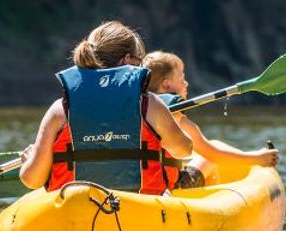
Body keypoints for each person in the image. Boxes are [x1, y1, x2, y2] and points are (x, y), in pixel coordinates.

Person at [20, 21, 193, 195]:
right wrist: (167, 128)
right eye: (139, 61)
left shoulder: (61, 109)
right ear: (127, 59)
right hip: (139, 208)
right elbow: (184, 151)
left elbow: (32, 179)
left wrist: (30, 159)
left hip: (77, 208)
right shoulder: (149, 104)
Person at [142, 50, 279, 188]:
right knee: (212, 152)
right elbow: (215, 155)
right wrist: (258, 158)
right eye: (182, 79)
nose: (186, 84)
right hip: (174, 185)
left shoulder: (137, 110)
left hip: (141, 183)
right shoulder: (179, 119)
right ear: (166, 85)